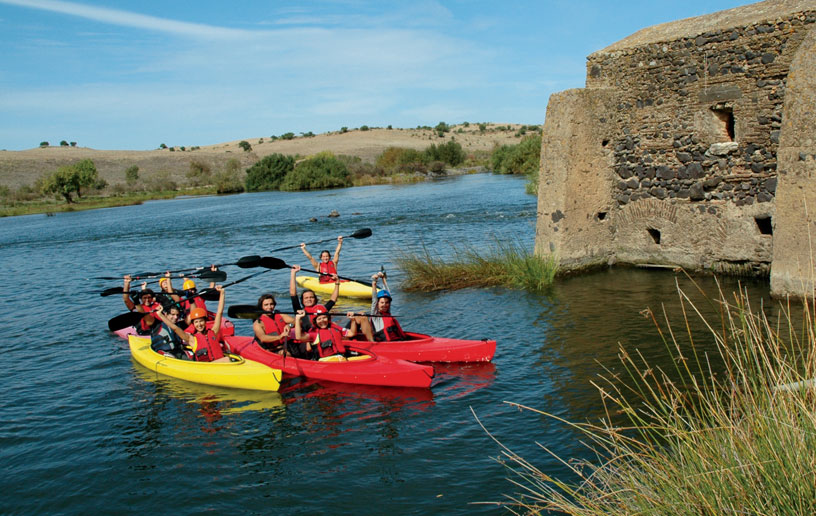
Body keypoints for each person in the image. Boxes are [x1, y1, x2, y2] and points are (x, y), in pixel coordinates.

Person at [154, 285, 230, 363]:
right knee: (227, 360)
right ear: (193, 324)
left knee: (227, 359)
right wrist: (160, 315)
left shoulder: (213, 332)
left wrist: (222, 293)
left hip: (220, 365)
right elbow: (174, 328)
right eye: (196, 322)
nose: (199, 324)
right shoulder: (191, 339)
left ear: (205, 321)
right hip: (206, 368)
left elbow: (220, 312)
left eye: (201, 321)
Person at [294, 305, 360, 360]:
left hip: (340, 357)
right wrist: (297, 319)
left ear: (328, 318)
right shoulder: (314, 333)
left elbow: (352, 333)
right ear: (315, 322)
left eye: (324, 318)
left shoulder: (335, 328)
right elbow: (299, 337)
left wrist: (353, 320)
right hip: (325, 361)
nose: (322, 321)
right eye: (319, 319)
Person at [289, 264, 340, 333]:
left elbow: (333, 299)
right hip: (310, 338)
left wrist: (337, 283)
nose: (309, 299)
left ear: (315, 299)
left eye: (311, 297)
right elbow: (293, 294)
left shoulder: (322, 310)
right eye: (306, 298)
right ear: (302, 301)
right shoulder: (300, 312)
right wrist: (293, 273)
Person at [368, 272, 407, 341]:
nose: (384, 305)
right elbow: (374, 299)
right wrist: (374, 282)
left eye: (387, 303)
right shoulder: (375, 315)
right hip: (385, 343)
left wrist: (383, 278)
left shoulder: (387, 312)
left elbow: (388, 292)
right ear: (378, 303)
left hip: (396, 340)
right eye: (382, 303)